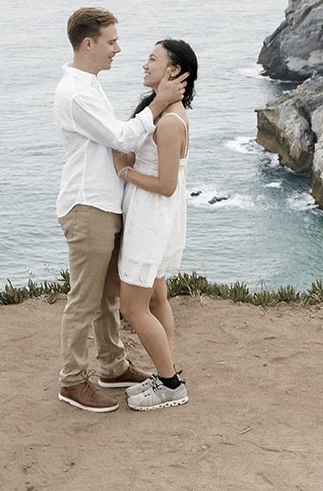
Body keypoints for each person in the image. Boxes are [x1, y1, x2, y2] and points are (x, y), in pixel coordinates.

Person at [53, 7, 186, 413]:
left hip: (107, 205)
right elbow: (118, 136)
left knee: (108, 295)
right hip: (88, 204)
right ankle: (73, 381)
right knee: (86, 298)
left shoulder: (91, 86)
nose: (119, 49)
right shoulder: (76, 93)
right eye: (111, 41)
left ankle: (112, 365)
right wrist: (159, 102)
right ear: (89, 43)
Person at [114, 39, 197, 411]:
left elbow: (166, 185)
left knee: (133, 307)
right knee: (158, 296)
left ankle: (169, 383)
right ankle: (168, 371)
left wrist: (125, 172)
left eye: (153, 58)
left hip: (151, 218)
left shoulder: (169, 123)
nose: (144, 63)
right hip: (156, 218)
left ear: (174, 71)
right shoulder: (164, 111)